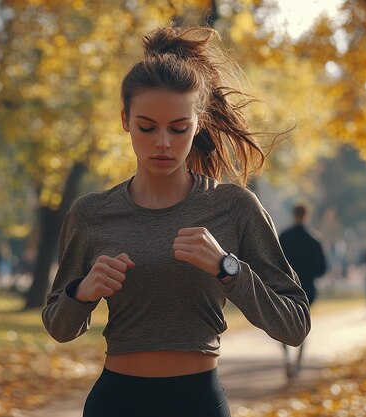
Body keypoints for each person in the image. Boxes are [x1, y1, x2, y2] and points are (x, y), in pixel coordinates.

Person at [42, 25, 310, 417]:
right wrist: (82, 292)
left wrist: (228, 268)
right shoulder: (91, 214)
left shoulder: (233, 207)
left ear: (198, 123)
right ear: (125, 120)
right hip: (116, 403)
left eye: (178, 128)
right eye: (147, 127)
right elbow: (58, 326)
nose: (163, 142)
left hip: (198, 402)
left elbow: (295, 326)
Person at [278, 203, 327, 378]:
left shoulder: (283, 237)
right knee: (302, 323)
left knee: (282, 322)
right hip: (306, 289)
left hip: (284, 287)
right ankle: (298, 360)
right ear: (307, 215)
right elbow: (322, 269)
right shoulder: (314, 240)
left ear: (293, 214)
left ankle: (287, 358)